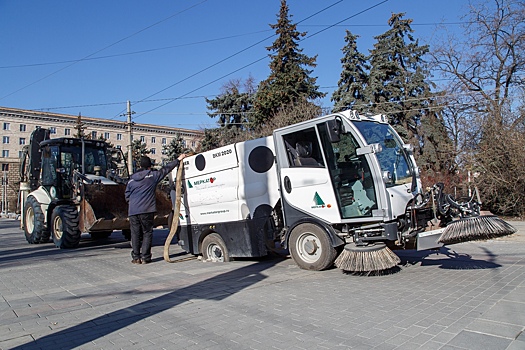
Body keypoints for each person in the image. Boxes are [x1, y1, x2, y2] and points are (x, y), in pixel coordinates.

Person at [125, 154, 186, 264]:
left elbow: (127, 196)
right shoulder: (152, 176)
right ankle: (145, 257)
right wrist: (178, 159)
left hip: (133, 211)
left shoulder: (131, 180)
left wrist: (134, 203)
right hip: (146, 210)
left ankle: (136, 257)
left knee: (135, 233)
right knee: (147, 232)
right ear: (149, 166)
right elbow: (165, 169)